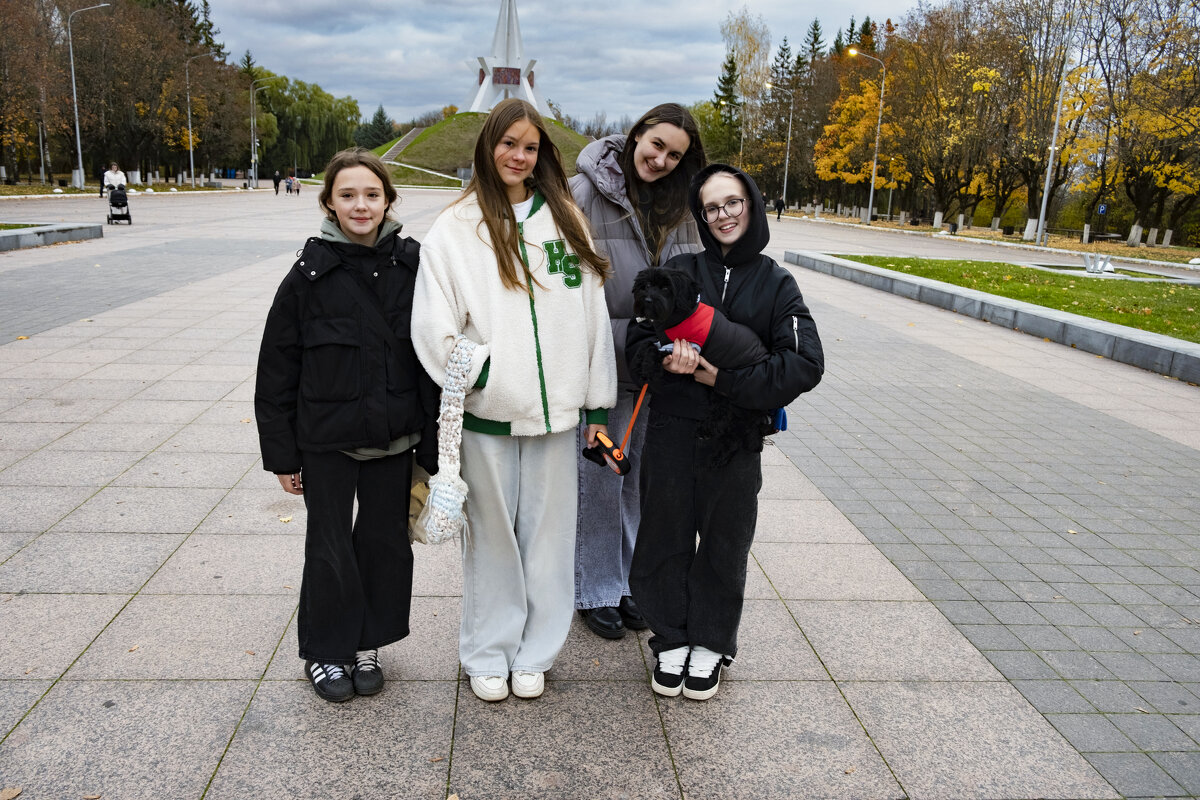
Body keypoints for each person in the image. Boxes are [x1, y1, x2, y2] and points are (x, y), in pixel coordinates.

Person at [413, 98, 616, 703]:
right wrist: (486, 374)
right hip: (488, 416)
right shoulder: (455, 229)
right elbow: (434, 327)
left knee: (550, 540)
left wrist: (597, 404)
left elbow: (594, 318)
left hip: (559, 418)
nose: (517, 156)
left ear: (541, 154)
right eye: (508, 143)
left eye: (529, 146)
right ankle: (488, 651)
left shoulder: (566, 221)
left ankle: (537, 651)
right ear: (488, 146)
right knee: (494, 540)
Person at [626, 164, 824, 701]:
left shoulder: (777, 282)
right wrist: (665, 363)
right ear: (701, 216)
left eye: (732, 202)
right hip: (670, 429)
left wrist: (722, 378)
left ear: (752, 205)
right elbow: (636, 341)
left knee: (724, 542)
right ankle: (669, 637)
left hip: (736, 437)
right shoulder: (679, 269)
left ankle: (711, 643)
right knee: (662, 534)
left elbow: (805, 364)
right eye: (712, 207)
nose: (724, 215)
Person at [255, 148, 438, 703]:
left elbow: (433, 360)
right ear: (329, 204)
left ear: (388, 200)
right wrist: (282, 456)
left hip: (395, 438)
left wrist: (433, 448)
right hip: (327, 442)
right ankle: (326, 651)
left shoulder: (416, 266)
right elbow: (277, 368)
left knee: (385, 544)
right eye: (348, 195)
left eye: (372, 194)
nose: (361, 205)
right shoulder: (306, 277)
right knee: (330, 546)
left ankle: (367, 643)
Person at [569, 103, 706, 640]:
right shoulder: (584, 194)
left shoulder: (682, 206)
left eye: (675, 154)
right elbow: (566, 283)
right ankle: (595, 586)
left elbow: (694, 278)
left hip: (662, 365)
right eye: (656, 146)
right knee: (600, 477)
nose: (662, 160)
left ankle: (626, 582)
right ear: (635, 137)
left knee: (640, 481)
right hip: (603, 359)